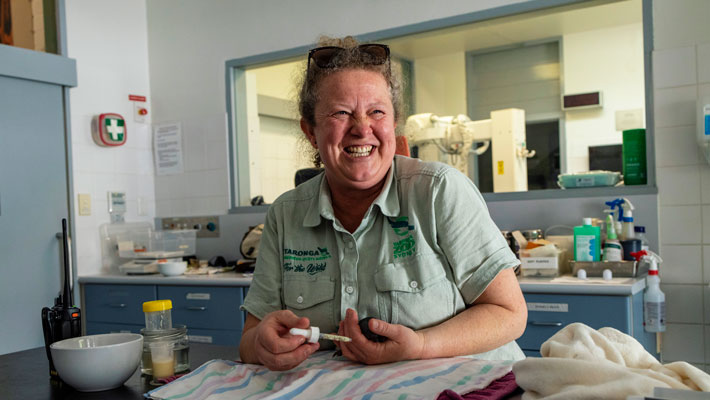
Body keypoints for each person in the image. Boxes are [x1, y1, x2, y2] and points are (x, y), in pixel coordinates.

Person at [239, 36, 527, 371]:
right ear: (310, 131)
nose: (362, 129)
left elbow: (510, 313)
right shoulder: (285, 215)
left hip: (471, 385)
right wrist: (262, 346)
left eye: (377, 112)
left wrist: (420, 345)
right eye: (341, 113)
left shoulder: (438, 191)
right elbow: (249, 339)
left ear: (393, 123)